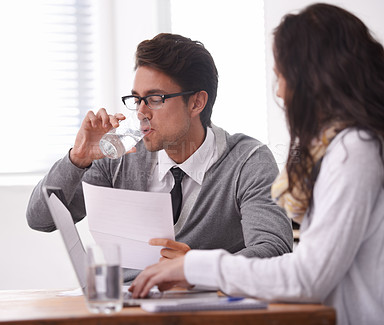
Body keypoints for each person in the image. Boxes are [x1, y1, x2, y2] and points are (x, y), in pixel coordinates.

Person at [128, 4, 384, 325]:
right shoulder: (345, 148)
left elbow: (306, 276)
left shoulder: (354, 150)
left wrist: (193, 266)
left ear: (313, 79)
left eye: (282, 77)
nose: (279, 91)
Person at [26, 33, 293, 283]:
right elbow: (41, 219)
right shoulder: (118, 157)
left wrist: (196, 269)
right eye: (136, 99)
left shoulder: (247, 161)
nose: (141, 112)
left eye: (154, 99)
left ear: (197, 103)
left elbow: (275, 251)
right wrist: (78, 158)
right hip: (128, 310)